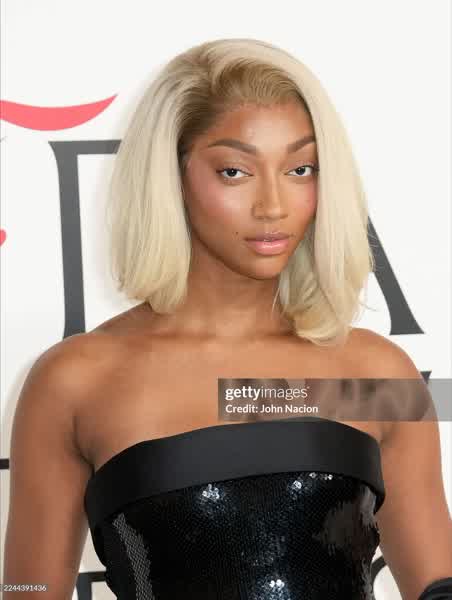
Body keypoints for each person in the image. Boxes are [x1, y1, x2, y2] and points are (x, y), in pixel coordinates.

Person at [3, 37, 452, 599]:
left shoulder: (376, 375)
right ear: (172, 176)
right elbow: (26, 591)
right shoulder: (76, 382)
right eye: (235, 171)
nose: (273, 206)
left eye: (301, 168)